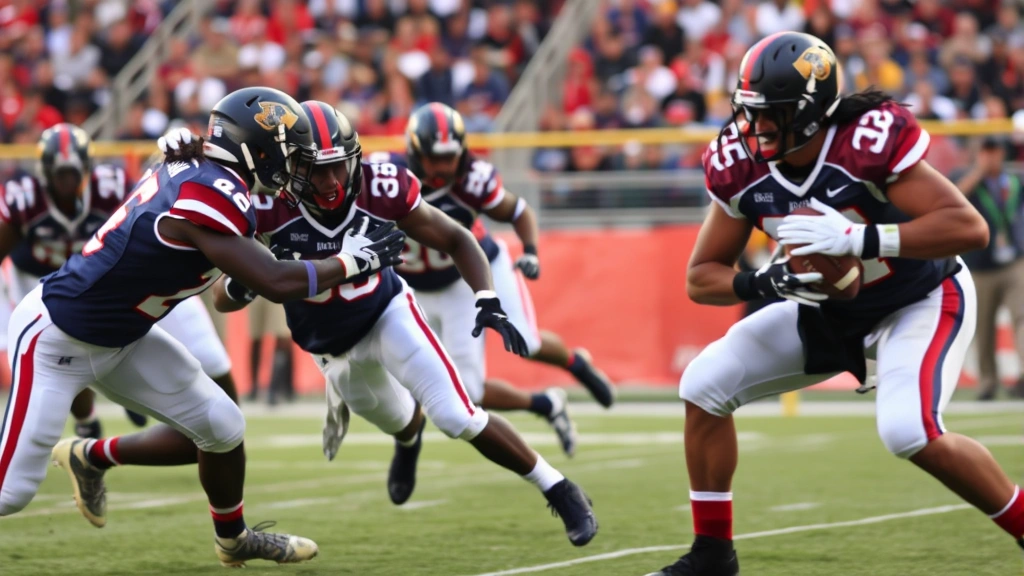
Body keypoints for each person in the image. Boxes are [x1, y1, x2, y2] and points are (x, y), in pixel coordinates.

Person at [646, 32, 1024, 576]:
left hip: (917, 297)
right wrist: (766, 282)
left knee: (908, 431)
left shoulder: (861, 143)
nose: (755, 127)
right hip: (828, 311)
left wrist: (859, 241)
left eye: (770, 113)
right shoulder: (742, 163)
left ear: (808, 111)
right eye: (749, 111)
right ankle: (712, 556)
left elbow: (968, 227)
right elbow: (701, 277)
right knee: (703, 385)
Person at [159, 100, 599, 546]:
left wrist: (485, 296)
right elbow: (221, 296)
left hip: (386, 312)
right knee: (401, 423)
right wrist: (246, 282)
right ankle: (409, 442)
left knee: (458, 415)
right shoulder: (265, 207)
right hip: (332, 351)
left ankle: (560, 489)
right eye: (315, 169)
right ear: (290, 166)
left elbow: (456, 237)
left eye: (338, 167)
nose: (331, 182)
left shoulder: (381, 187)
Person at [0, 87, 406, 566]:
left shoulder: (205, 174)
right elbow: (274, 281)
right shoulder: (212, 189)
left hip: (123, 335)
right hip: (55, 338)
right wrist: (353, 261)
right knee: (11, 493)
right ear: (256, 148)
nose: (290, 164)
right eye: (285, 151)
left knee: (223, 425)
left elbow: (246, 274)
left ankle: (233, 539)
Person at [374, 102, 617, 457]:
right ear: (414, 152)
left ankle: (575, 363)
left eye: (450, 157)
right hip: (414, 288)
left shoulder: (472, 179)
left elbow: (518, 211)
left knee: (527, 343)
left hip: (469, 278)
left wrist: (530, 250)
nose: (444, 167)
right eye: (434, 158)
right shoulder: (385, 177)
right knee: (461, 389)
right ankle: (547, 405)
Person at [0, 123, 241, 441]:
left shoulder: (110, 189)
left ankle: (216, 426)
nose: (67, 183)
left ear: (87, 167)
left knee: (203, 349)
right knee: (57, 353)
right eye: (60, 175)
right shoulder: (24, 198)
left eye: (73, 173)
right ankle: (87, 420)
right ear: (44, 172)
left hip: (104, 277)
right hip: (37, 277)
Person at [956, 137, 1024, 400]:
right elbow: (955, 198)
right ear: (977, 154)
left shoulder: (1014, 180)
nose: (991, 157)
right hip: (979, 266)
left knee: (1021, 315)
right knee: (983, 327)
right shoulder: (965, 177)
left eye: (994, 152)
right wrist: (978, 173)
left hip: (1014, 262)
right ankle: (987, 381)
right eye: (986, 152)